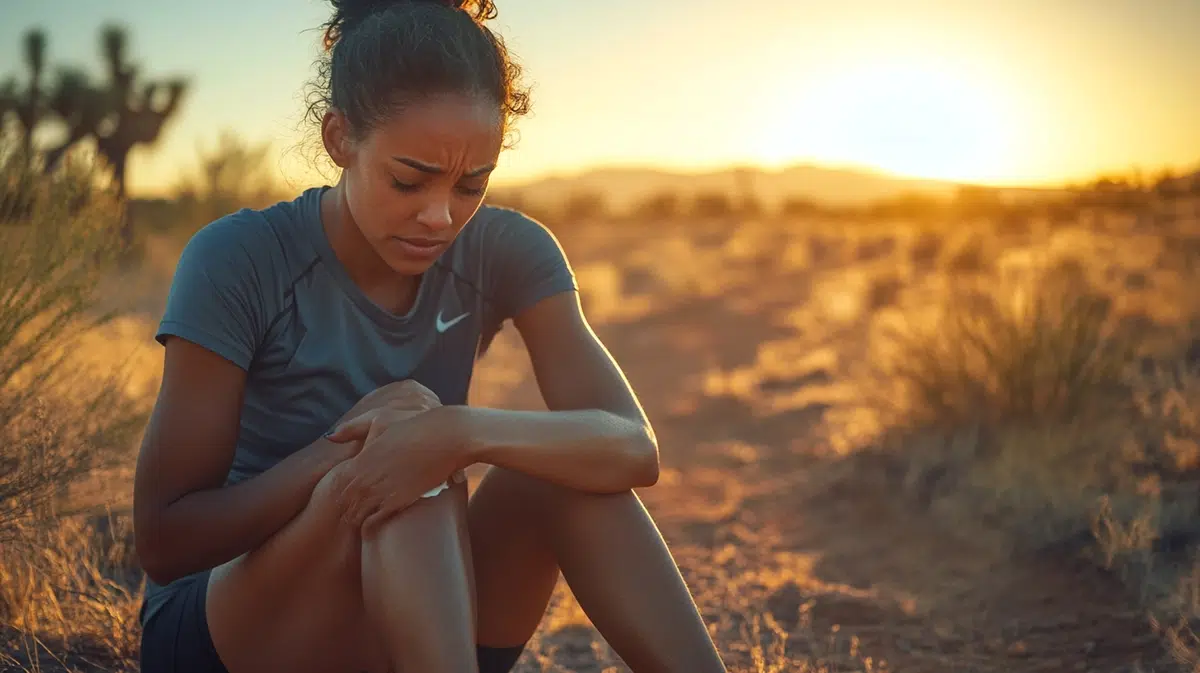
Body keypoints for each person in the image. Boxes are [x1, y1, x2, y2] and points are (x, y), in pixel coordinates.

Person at [132, 1, 730, 671]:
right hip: (230, 635)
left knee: (547, 473)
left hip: (418, 618)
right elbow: (165, 538)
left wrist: (455, 433)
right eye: (408, 181)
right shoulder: (239, 258)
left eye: (472, 184)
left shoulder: (506, 249)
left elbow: (632, 447)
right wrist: (351, 453)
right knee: (408, 466)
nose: (440, 216)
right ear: (340, 140)